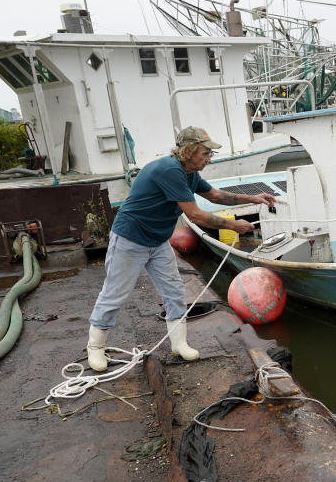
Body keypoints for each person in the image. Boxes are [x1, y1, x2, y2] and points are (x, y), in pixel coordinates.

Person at [86, 126, 277, 372]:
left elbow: (216, 196)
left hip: (157, 241)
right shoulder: (169, 170)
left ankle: (179, 344)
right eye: (205, 153)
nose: (209, 158)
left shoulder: (190, 173)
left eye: (210, 154)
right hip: (130, 240)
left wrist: (253, 198)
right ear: (187, 151)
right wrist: (233, 225)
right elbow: (196, 215)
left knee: (174, 291)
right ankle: (95, 347)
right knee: (115, 294)